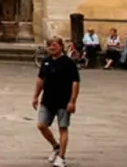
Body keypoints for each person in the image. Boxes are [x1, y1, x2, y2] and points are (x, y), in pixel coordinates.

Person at [34, 36, 80, 167]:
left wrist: (72, 101)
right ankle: (56, 146)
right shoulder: (46, 62)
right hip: (47, 100)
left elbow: (75, 82)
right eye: (49, 45)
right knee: (41, 125)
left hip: (63, 101)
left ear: (60, 46)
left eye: (54, 45)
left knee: (63, 128)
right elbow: (40, 79)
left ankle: (62, 157)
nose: (52, 47)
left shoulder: (68, 63)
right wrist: (35, 96)